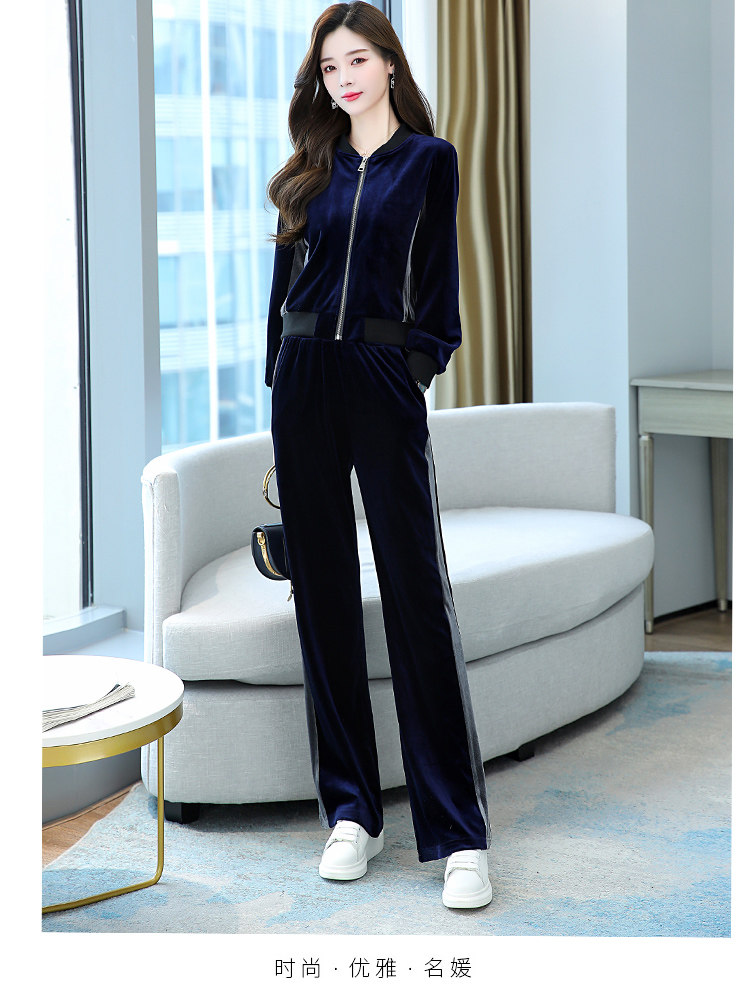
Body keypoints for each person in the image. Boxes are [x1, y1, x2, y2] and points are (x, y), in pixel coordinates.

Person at [265, 1, 492, 910]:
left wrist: (414, 369)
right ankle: (353, 812)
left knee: (415, 593)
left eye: (357, 60)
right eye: (330, 68)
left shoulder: (429, 162)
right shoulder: (307, 171)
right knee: (322, 597)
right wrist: (279, 379)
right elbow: (282, 293)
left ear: (390, 63)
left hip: (382, 380)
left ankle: (458, 832)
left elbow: (439, 296)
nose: (345, 78)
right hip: (303, 383)